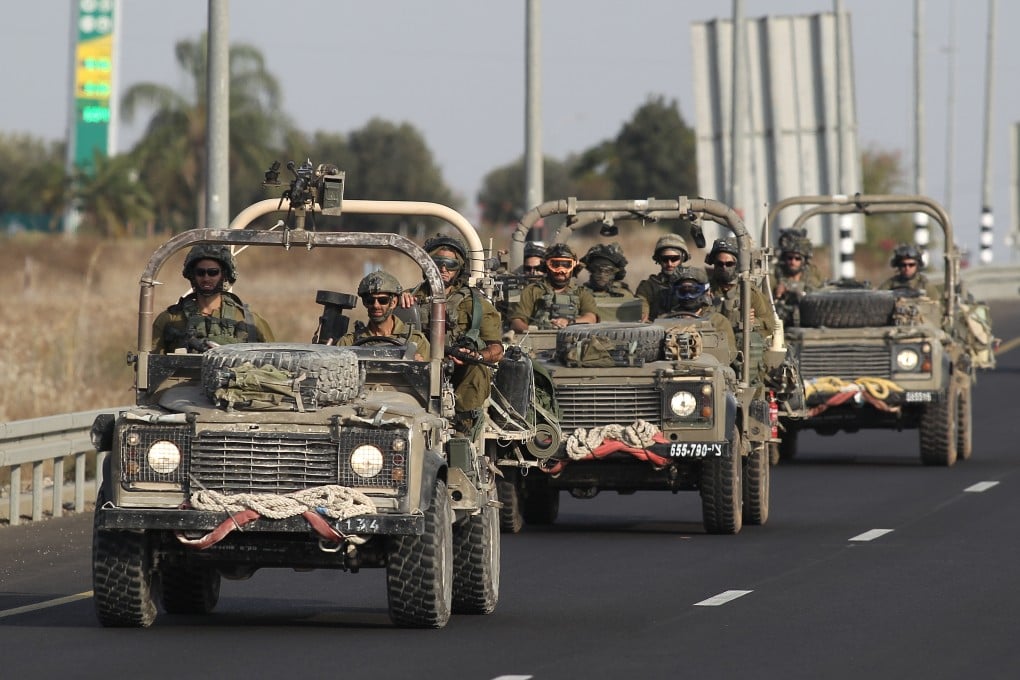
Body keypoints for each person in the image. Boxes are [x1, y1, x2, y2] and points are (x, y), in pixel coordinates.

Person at [403, 235, 505, 435]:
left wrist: (477, 356)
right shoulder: (408, 297)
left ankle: (463, 428)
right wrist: (398, 304)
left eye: (450, 264)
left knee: (477, 369)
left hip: (459, 374)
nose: (443, 269)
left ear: (459, 268)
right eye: (438, 263)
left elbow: (497, 349)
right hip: (417, 367)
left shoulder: (475, 303)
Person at [152, 244, 274, 353]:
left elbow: (274, 363)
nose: (206, 278)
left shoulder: (250, 321)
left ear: (224, 275)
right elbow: (150, 366)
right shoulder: (170, 319)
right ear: (193, 275)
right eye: (200, 272)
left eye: (213, 272)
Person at [338, 270, 430, 361]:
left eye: (383, 300)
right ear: (364, 303)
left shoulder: (416, 341)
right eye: (370, 300)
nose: (376, 305)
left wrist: (418, 367)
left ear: (393, 302)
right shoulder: (348, 343)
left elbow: (431, 374)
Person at [509, 243, 598, 331]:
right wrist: (531, 331)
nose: (561, 270)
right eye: (555, 265)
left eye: (566, 265)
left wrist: (569, 322)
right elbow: (517, 321)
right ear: (547, 266)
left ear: (573, 267)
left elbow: (591, 318)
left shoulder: (581, 293)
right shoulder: (532, 291)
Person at [659, 266, 736, 363]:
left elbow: (730, 354)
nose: (688, 296)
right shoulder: (664, 320)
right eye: (683, 291)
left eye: (693, 291)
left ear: (706, 291)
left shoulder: (718, 321)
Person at [704, 237, 776, 336]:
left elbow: (770, 323)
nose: (724, 268)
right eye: (719, 264)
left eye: (729, 264)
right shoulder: (705, 289)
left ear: (738, 265)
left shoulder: (748, 291)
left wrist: (753, 322)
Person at [772, 228, 823, 324]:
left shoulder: (811, 276)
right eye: (789, 258)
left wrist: (798, 291)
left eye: (797, 258)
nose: (793, 262)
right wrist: (777, 295)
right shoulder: (775, 276)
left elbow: (819, 296)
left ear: (804, 260)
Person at [635, 233, 691, 321]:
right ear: (658, 260)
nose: (669, 264)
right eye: (665, 259)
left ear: (682, 258)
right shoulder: (648, 287)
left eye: (674, 259)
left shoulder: (694, 284)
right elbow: (642, 318)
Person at [579, 243, 640, 322]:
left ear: (614, 273)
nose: (602, 275)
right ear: (591, 270)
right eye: (597, 270)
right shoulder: (581, 293)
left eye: (607, 271)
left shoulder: (624, 294)